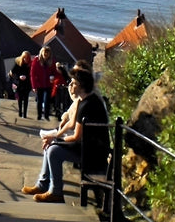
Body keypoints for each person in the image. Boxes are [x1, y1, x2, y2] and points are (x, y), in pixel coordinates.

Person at [22, 68, 110, 203]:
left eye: (74, 83)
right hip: (89, 147)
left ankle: (56, 191)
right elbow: (75, 129)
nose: (70, 85)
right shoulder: (85, 101)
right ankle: (43, 185)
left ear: (82, 85)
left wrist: (57, 139)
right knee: (51, 145)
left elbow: (76, 137)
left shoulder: (87, 105)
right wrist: (55, 138)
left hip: (92, 152)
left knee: (54, 151)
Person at [30, 46, 57, 121]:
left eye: (47, 53)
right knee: (39, 100)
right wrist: (34, 86)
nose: (46, 54)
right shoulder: (36, 60)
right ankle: (39, 115)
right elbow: (32, 74)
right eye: (44, 53)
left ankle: (46, 115)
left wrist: (53, 77)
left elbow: (54, 72)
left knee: (47, 100)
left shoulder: (52, 61)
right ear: (41, 53)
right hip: (39, 84)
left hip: (48, 84)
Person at [9, 51, 32, 118]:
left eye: (27, 58)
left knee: (26, 98)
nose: (26, 60)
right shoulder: (17, 63)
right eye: (25, 58)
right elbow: (13, 73)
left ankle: (25, 113)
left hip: (27, 83)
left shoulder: (30, 65)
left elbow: (31, 74)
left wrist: (26, 77)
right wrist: (19, 77)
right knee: (20, 98)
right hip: (19, 83)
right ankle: (20, 111)